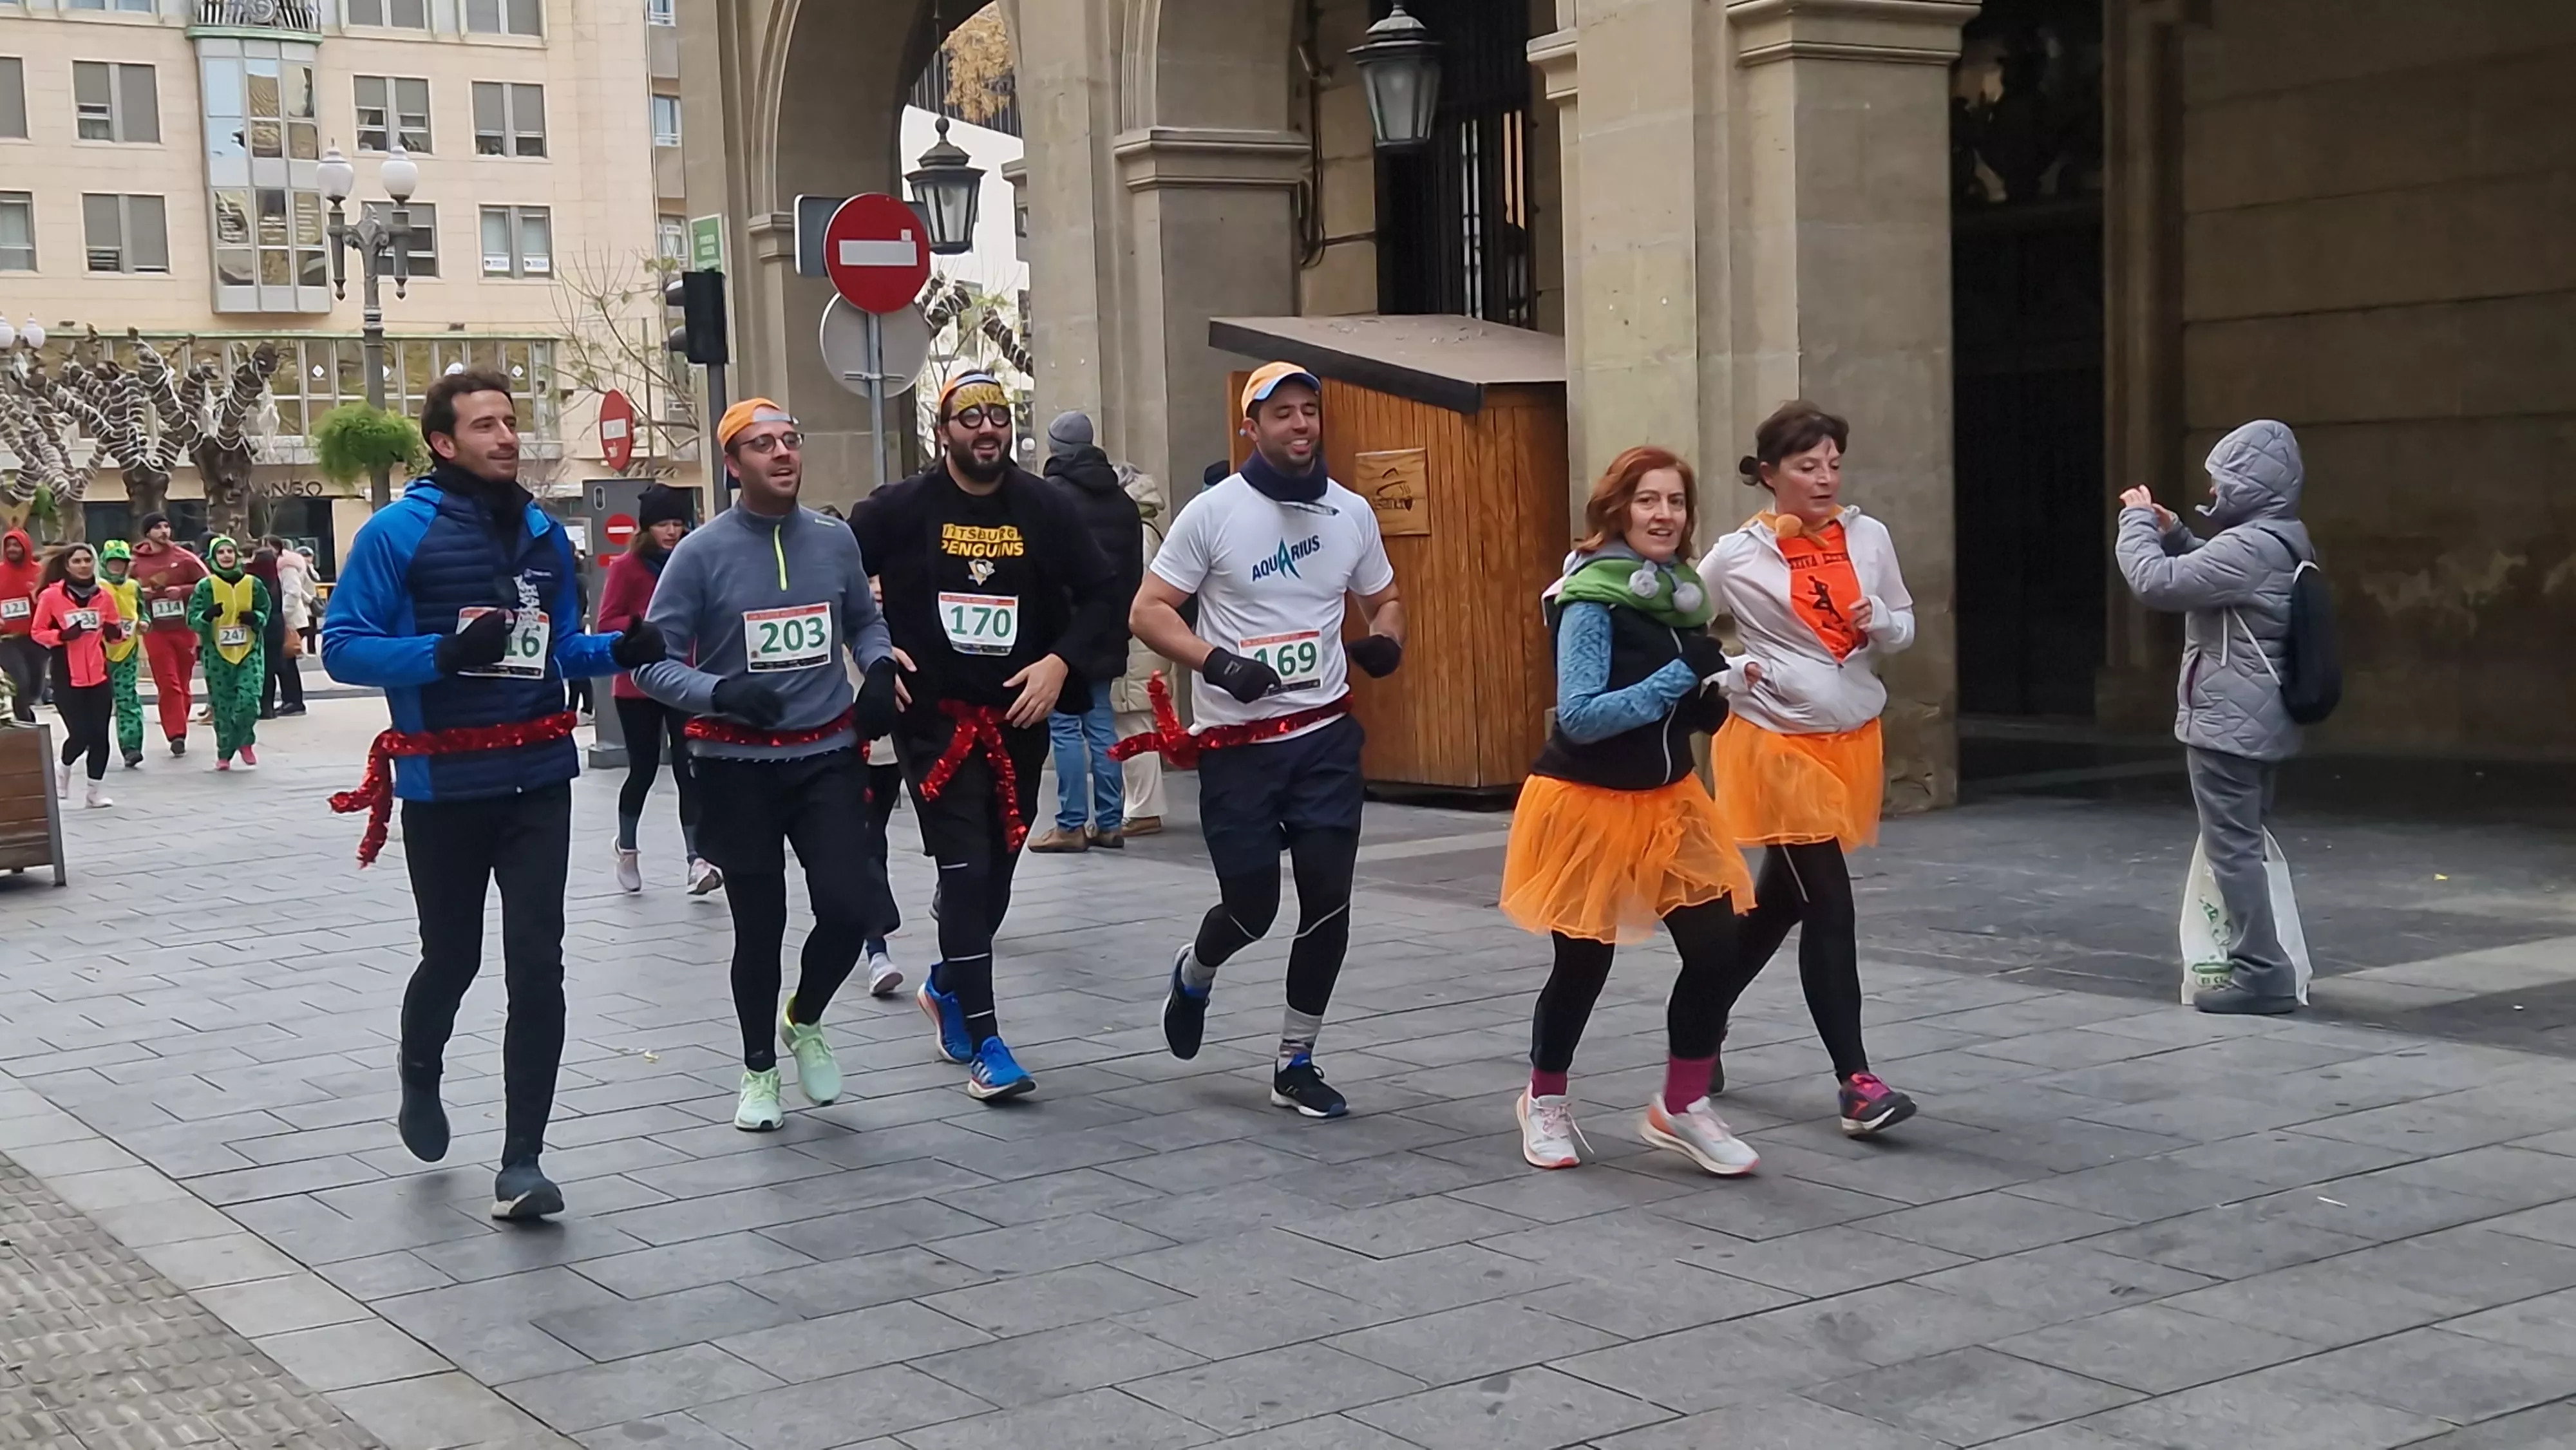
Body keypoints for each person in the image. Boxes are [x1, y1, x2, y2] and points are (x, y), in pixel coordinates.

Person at [323, 368, 665, 1221]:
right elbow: (343, 647)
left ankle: (524, 1161)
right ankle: (420, 1070)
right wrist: (439, 654)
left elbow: (558, 649)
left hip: (540, 778)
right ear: (444, 442)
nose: (506, 437)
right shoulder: (395, 534)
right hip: (445, 783)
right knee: (454, 958)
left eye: (510, 422)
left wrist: (621, 650)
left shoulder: (546, 536)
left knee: (537, 964)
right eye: (485, 426)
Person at [1132, 361, 1406, 1120]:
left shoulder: (1350, 512)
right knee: (1251, 906)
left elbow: (1384, 596)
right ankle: (1195, 971)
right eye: (1281, 413)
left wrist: (1385, 638)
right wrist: (1217, 662)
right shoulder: (1212, 513)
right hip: (1238, 744)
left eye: (1309, 411)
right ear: (1250, 427)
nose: (1300, 425)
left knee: (1327, 902)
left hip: (1322, 736)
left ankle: (1296, 1058)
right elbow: (1150, 610)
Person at [848, 372, 1122, 1103]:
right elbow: (836, 575)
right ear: (944, 433)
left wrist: (1060, 662)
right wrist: (876, 651)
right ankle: (988, 1042)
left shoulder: (1044, 507)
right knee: (967, 869)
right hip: (935, 719)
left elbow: (1104, 595)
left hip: (1019, 719)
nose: (986, 427)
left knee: (998, 869)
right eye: (969, 417)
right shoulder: (900, 509)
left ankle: (946, 982)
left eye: (997, 414)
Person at [636, 400, 901, 1130]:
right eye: (762, 445)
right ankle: (758, 1070)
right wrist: (719, 691)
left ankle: (805, 1016)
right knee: (761, 925)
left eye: (791, 439)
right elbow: (652, 665)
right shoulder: (699, 553)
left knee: (852, 907)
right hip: (735, 764)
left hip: (825, 756)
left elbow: (863, 620)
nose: (782, 454)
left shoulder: (833, 538)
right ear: (732, 465)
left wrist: (876, 666)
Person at [1502, 448, 1763, 1174]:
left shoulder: (1679, 592)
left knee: (1716, 951)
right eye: (1648, 500)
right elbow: (1582, 716)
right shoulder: (1591, 596)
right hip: (1587, 801)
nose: (1663, 515)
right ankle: (1544, 1098)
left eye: (1675, 502)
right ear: (1618, 510)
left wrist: (1721, 695)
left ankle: (1680, 1105)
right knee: (1583, 962)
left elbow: (1675, 708)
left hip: (1670, 800)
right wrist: (1683, 672)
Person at [1701, 400, 1918, 1139]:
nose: (1824, 477)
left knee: (1781, 903)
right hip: (1772, 743)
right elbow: (1677, 620)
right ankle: (1855, 1081)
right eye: (1806, 465)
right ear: (1769, 474)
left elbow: (1903, 619)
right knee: (1828, 899)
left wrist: (1878, 623)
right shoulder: (1736, 554)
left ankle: (1700, 1020)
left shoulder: (1869, 536)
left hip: (1848, 736)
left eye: (1832, 462)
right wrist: (1732, 671)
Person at [2117, 420, 2313, 1015]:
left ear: (2249, 484)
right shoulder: (2281, 538)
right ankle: (2259, 958)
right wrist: (2176, 532)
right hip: (2260, 717)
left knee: (2232, 849)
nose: (2214, 488)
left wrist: (2135, 523)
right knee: (2243, 844)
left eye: (2221, 479)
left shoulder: (2250, 546)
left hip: (2229, 720)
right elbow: (2215, 573)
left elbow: (2156, 582)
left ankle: (2261, 971)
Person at [1030, 410, 1143, 852]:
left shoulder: (1050, 498)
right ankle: (1111, 822)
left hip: (1063, 635)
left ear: (1055, 448)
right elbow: (1133, 572)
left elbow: (1041, 572)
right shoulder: (1124, 502)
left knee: (1063, 727)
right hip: (1109, 627)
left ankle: (1070, 823)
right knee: (1101, 724)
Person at [599, 484, 720, 896]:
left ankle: (697, 859)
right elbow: (607, 620)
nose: (672, 532)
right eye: (664, 524)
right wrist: (641, 630)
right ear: (646, 528)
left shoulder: (691, 563)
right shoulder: (627, 567)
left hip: (684, 682)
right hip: (636, 688)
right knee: (644, 769)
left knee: (690, 768)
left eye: (678, 523)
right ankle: (627, 847)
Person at [30, 542, 128, 809]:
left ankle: (94, 792)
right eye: (77, 561)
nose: (84, 565)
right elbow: (37, 632)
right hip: (66, 675)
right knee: (81, 733)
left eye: (87, 560)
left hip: (98, 675)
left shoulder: (104, 596)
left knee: (100, 736)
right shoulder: (52, 597)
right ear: (67, 565)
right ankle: (64, 767)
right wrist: (62, 636)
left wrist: (115, 633)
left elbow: (117, 632)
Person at [1115, 462, 1170, 835]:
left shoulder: (1137, 533)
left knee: (1133, 719)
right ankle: (1140, 804)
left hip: (1138, 641)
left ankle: (1144, 807)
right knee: (1134, 718)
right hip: (1144, 641)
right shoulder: (1146, 528)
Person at [187, 536, 270, 772]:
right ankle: (224, 752)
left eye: (230, 552)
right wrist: (206, 616)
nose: (226, 556)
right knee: (222, 706)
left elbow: (266, 610)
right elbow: (192, 620)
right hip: (217, 653)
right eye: (221, 552)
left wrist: (257, 619)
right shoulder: (205, 586)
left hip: (249, 650)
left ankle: (245, 740)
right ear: (213, 558)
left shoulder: (253, 583)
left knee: (249, 701)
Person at [130, 513, 209, 756]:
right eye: (157, 527)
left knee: (183, 683)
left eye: (167, 526)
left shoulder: (185, 559)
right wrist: (140, 594)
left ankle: (179, 723)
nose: (164, 531)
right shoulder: (134, 563)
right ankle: (176, 734)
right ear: (147, 533)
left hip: (183, 628)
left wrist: (182, 591)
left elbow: (207, 584)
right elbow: (120, 588)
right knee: (168, 682)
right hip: (155, 630)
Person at [94, 541, 148, 766]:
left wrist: (145, 622)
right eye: (113, 562)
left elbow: (142, 612)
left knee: (128, 698)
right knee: (97, 702)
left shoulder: (134, 587)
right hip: (98, 651)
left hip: (127, 650)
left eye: (122, 563)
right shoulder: (96, 586)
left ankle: (131, 746)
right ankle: (93, 742)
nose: (117, 567)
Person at [0, 528, 41, 724]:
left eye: (16, 545)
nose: (12, 549)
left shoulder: (39, 572)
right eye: (9, 546)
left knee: (35, 687)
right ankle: (24, 720)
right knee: (19, 681)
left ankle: (25, 713)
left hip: (35, 638)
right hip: (7, 639)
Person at [274, 539, 318, 706]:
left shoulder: (287, 565)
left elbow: (292, 592)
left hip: (290, 619)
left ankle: (293, 701)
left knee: (287, 662)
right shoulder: (285, 564)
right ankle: (290, 700)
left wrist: (283, 615)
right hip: (291, 617)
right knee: (286, 661)